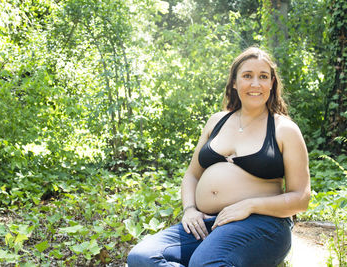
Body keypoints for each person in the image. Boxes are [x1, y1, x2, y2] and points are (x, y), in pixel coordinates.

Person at [127, 47, 311, 267]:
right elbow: (192, 175)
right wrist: (190, 210)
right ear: (234, 82)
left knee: (204, 263)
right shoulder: (216, 121)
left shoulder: (284, 130)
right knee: (141, 257)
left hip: (262, 224)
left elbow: (301, 198)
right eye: (247, 76)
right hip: (207, 222)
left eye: (263, 77)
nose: (255, 84)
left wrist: (250, 205)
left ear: (272, 83)